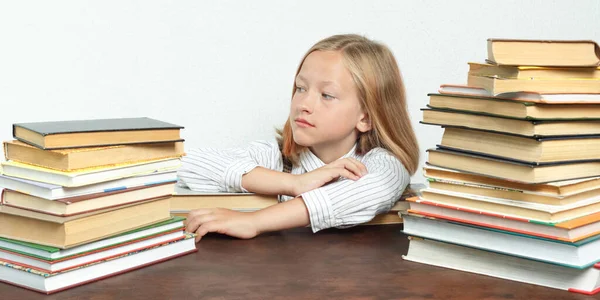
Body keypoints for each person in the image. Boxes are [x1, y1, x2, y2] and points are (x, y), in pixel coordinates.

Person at [178, 34, 419, 242]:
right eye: (301, 88)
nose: (303, 104)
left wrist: (254, 222)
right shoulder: (278, 157)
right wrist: (293, 184)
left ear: (366, 118)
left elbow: (367, 191)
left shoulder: (381, 164)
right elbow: (187, 165)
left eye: (326, 95)